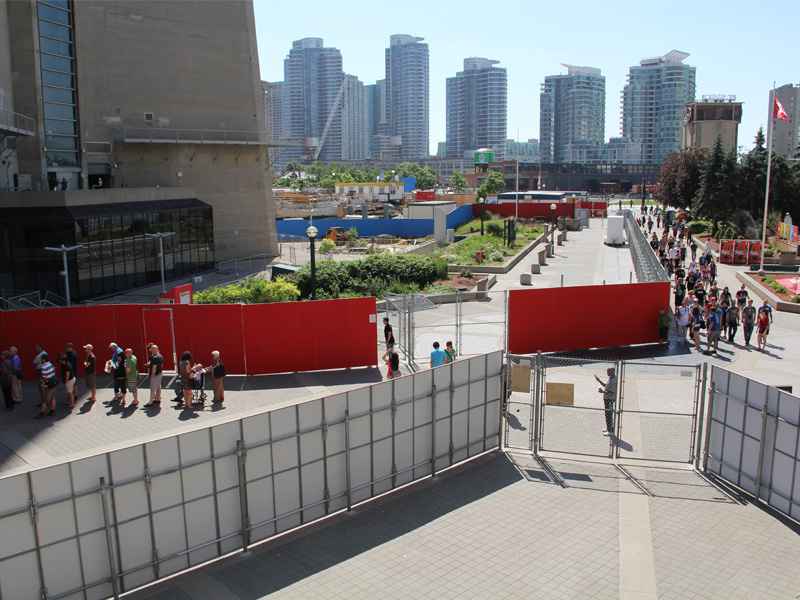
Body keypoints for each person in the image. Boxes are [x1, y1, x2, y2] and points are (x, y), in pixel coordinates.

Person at [595, 367, 617, 436]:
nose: (607, 373)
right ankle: (608, 428)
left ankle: (610, 431)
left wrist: (602, 391)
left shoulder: (614, 380)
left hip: (610, 399)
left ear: (612, 372)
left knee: (609, 414)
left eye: (608, 372)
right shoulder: (610, 378)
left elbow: (612, 392)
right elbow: (606, 386)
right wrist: (599, 381)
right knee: (607, 414)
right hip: (607, 398)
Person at [36, 353, 57, 419]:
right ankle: (52, 411)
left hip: (47, 386)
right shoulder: (51, 365)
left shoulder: (44, 367)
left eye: (41, 359)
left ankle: (42, 413)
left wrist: (42, 387)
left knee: (44, 400)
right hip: (52, 384)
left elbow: (43, 379)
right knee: (52, 398)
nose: (41, 361)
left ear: (44, 360)